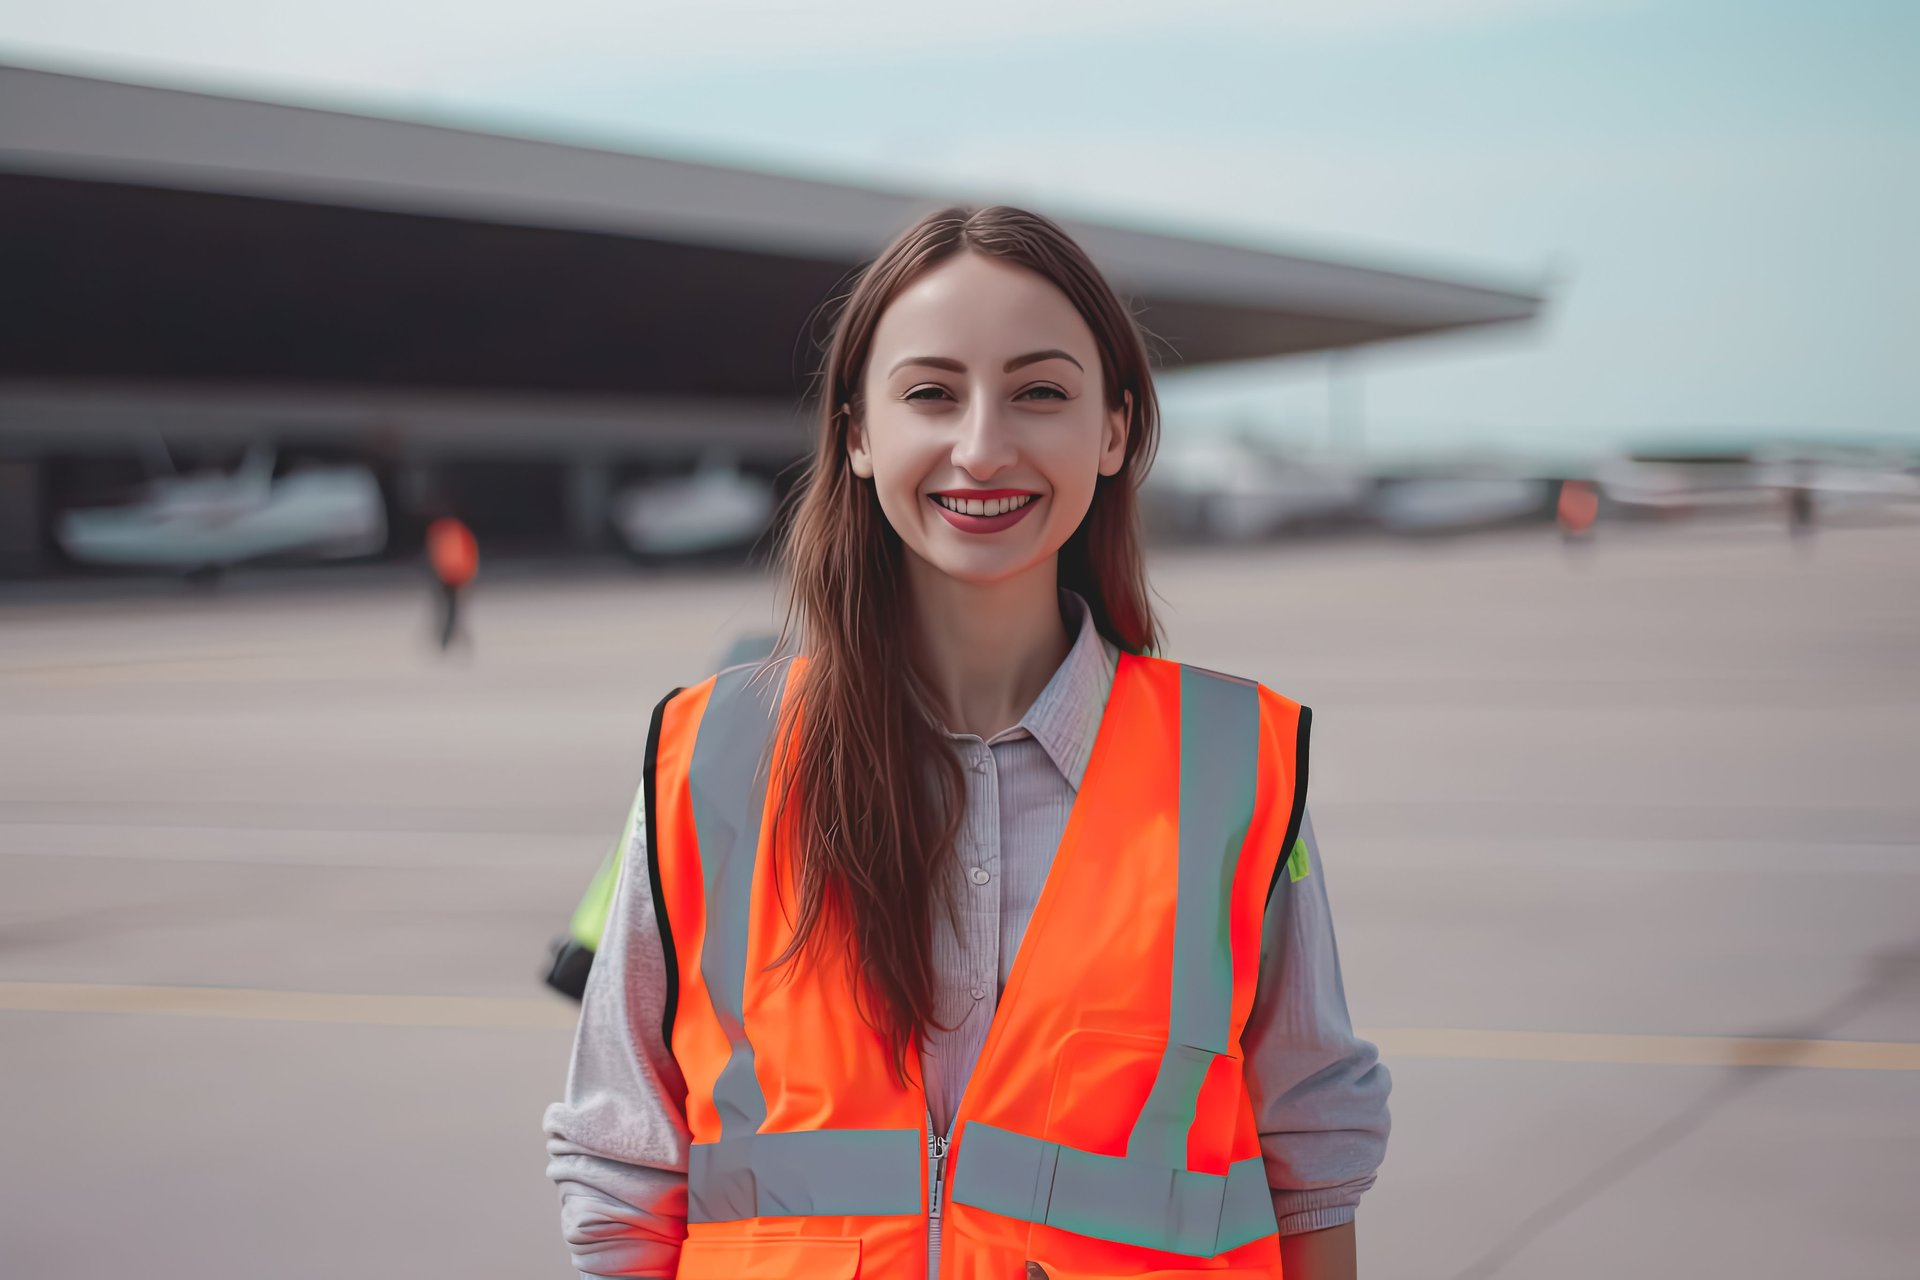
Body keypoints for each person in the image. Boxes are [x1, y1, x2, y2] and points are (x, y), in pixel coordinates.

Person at [543, 206, 1390, 1279]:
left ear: (1116, 429)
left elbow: (1314, 1154)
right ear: (855, 431)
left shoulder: (1234, 765)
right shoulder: (706, 760)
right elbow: (623, 1171)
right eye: (931, 393)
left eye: (1040, 391)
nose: (983, 445)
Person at [424, 513, 477, 651]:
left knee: (448, 611)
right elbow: (469, 553)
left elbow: (433, 554)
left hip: (447, 576)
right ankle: (453, 642)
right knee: (455, 612)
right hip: (455, 576)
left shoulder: (439, 530)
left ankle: (448, 642)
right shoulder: (459, 531)